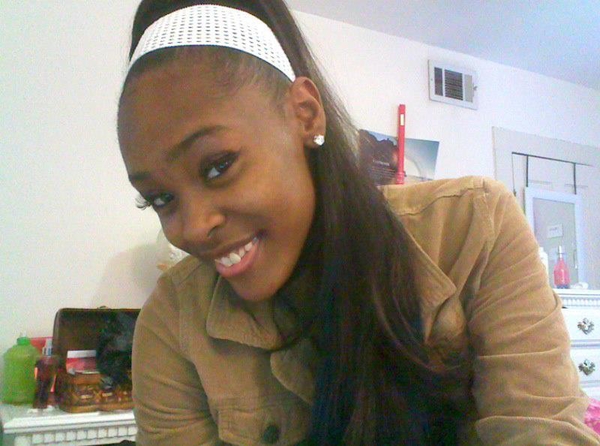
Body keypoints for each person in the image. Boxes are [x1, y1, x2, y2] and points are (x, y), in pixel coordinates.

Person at [117, 1, 600, 444]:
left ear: (305, 114)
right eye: (160, 198)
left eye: (218, 166)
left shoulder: (472, 230)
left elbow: (540, 431)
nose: (192, 229)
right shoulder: (174, 323)